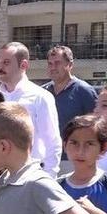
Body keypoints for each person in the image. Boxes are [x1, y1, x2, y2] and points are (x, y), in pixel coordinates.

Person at [0, 42, 63, 175]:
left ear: (24, 65)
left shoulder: (40, 97)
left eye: (6, 62)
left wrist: (49, 177)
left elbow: (52, 141)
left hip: (31, 174)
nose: (0, 67)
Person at [42, 46, 98, 175]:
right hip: (45, 160)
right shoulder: (42, 92)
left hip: (73, 160)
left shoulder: (84, 91)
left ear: (70, 64)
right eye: (50, 63)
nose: (53, 67)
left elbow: (96, 126)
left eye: (57, 63)